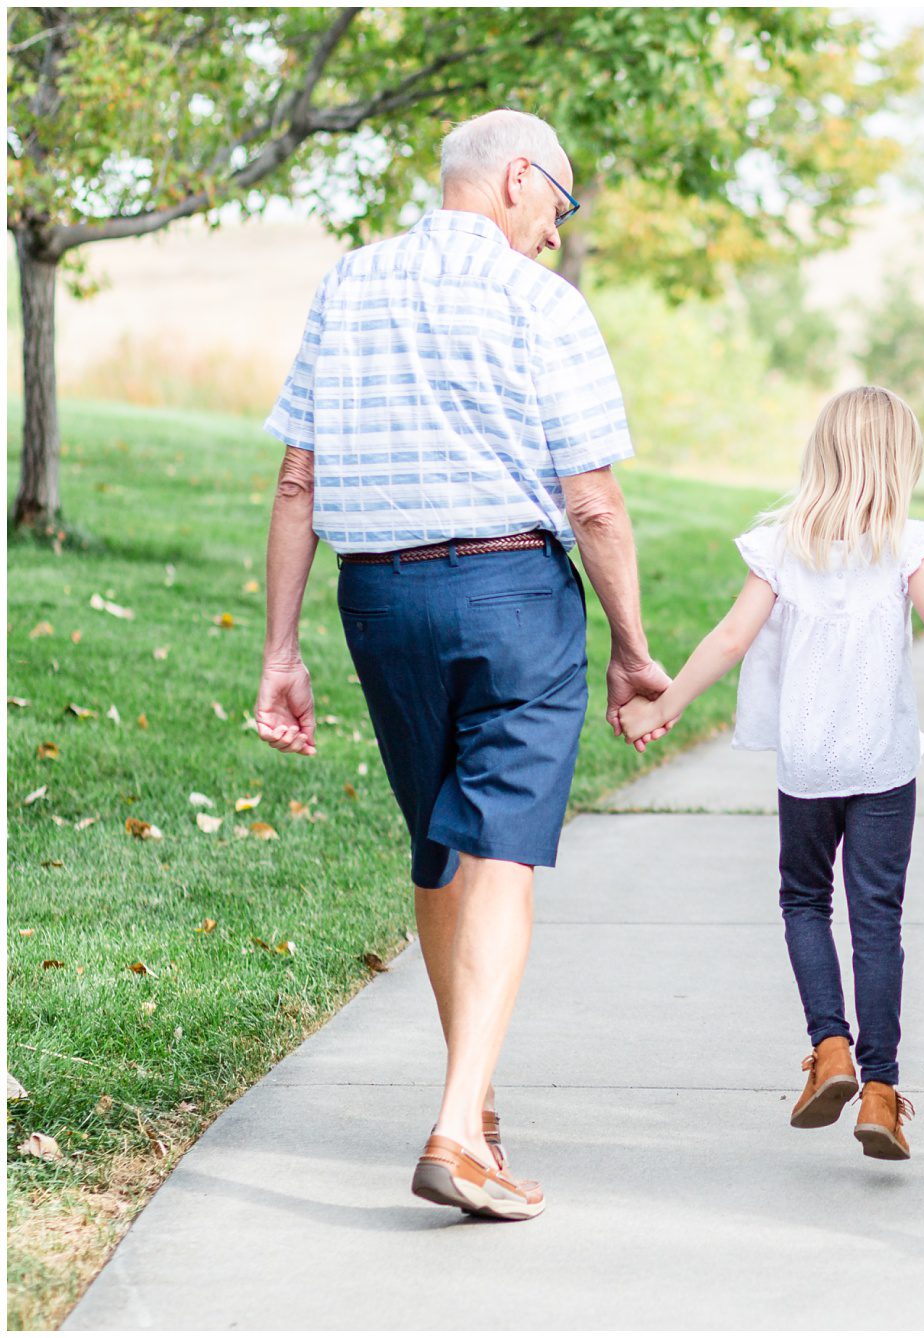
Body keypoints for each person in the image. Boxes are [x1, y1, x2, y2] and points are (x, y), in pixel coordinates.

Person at [255, 108, 669, 1220]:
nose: (554, 232)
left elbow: (297, 483)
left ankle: (470, 1101)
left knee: (441, 843)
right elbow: (591, 496)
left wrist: (280, 653)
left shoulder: (347, 286)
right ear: (518, 181)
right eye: (559, 206)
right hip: (510, 598)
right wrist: (631, 650)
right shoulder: (541, 303)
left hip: (379, 599)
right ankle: (454, 1132)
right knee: (498, 855)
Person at [620, 386, 924, 1160]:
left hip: (807, 762)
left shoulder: (781, 545)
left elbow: (731, 638)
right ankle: (878, 1088)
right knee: (877, 922)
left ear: (824, 455)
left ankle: (829, 1049)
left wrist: (662, 707)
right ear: (899, 462)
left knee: (805, 902)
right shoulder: (905, 543)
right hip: (883, 763)